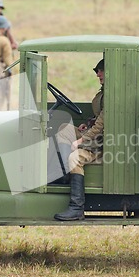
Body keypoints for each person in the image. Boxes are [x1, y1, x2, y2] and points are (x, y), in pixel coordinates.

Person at [54, 59, 105, 221]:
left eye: (100, 70)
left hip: (102, 145)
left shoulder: (113, 95)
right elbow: (98, 119)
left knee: (74, 157)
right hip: (95, 137)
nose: (97, 74)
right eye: (96, 70)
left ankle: (76, 207)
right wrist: (87, 124)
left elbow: (102, 125)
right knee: (64, 129)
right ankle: (64, 175)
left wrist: (81, 141)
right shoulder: (104, 92)